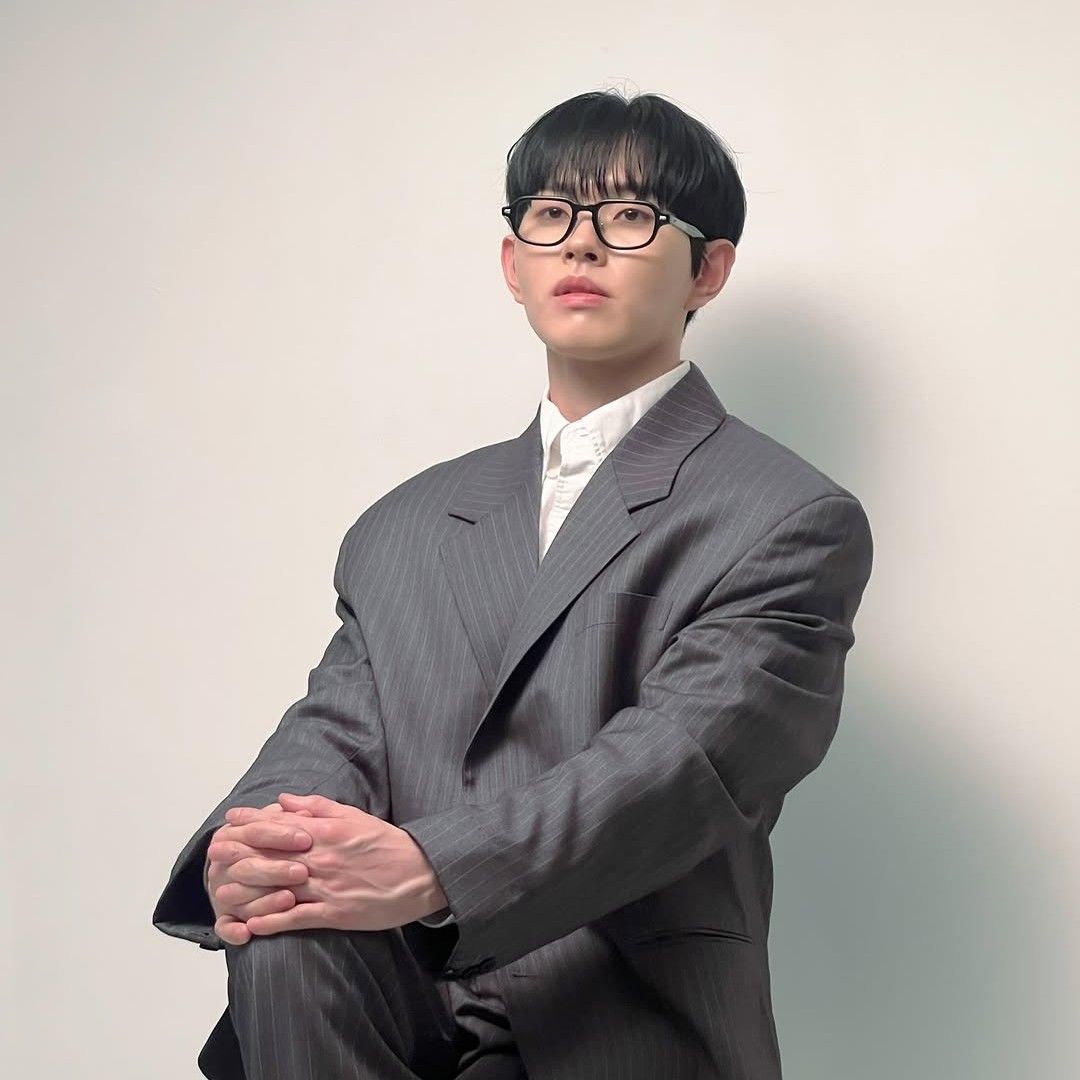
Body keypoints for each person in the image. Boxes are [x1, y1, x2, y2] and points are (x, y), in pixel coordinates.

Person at [153, 89, 874, 1080]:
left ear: (708, 269)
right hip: (390, 1009)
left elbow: (680, 765)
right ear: (512, 262)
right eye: (551, 214)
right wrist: (261, 850)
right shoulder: (403, 524)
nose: (581, 243)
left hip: (618, 1016)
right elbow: (336, 730)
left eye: (629, 216)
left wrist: (435, 868)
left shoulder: (786, 514)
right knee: (287, 928)